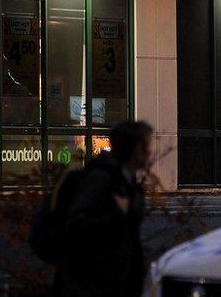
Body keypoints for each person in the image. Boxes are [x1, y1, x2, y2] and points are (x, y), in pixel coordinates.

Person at [56, 121, 153, 297]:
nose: (150, 151)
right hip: (94, 285)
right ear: (134, 149)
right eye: (146, 145)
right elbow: (76, 227)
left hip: (114, 283)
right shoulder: (102, 179)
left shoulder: (126, 181)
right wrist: (117, 214)